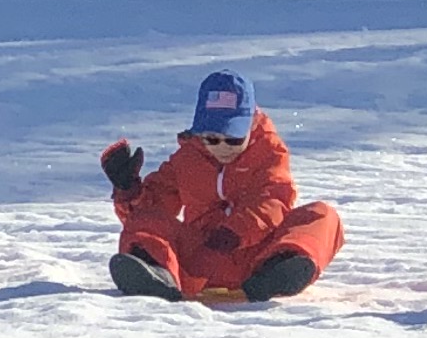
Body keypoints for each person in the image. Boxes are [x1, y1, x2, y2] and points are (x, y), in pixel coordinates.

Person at [102, 70, 346, 303]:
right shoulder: (187, 159)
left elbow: (273, 200)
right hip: (199, 260)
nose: (223, 147)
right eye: (212, 139)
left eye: (233, 139)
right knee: (145, 223)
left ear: (251, 126)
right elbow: (152, 211)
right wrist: (128, 190)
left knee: (323, 216)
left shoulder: (269, 153)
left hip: (255, 256)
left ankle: (279, 269)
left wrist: (235, 233)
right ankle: (157, 274)